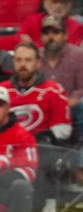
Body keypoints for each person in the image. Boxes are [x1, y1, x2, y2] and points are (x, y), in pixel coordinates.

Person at [0, 41, 71, 144]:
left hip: (43, 151)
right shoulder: (1, 90)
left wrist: (41, 138)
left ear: (38, 63)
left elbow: (64, 129)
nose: (23, 65)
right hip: (7, 150)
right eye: (18, 60)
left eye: (28, 60)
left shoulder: (53, 91)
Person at [39, 15, 83, 144]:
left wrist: (64, 104)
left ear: (65, 35)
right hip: (43, 107)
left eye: (56, 32)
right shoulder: (35, 56)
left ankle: (80, 155)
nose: (51, 37)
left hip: (72, 106)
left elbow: (81, 89)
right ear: (41, 37)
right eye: (46, 33)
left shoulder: (78, 55)